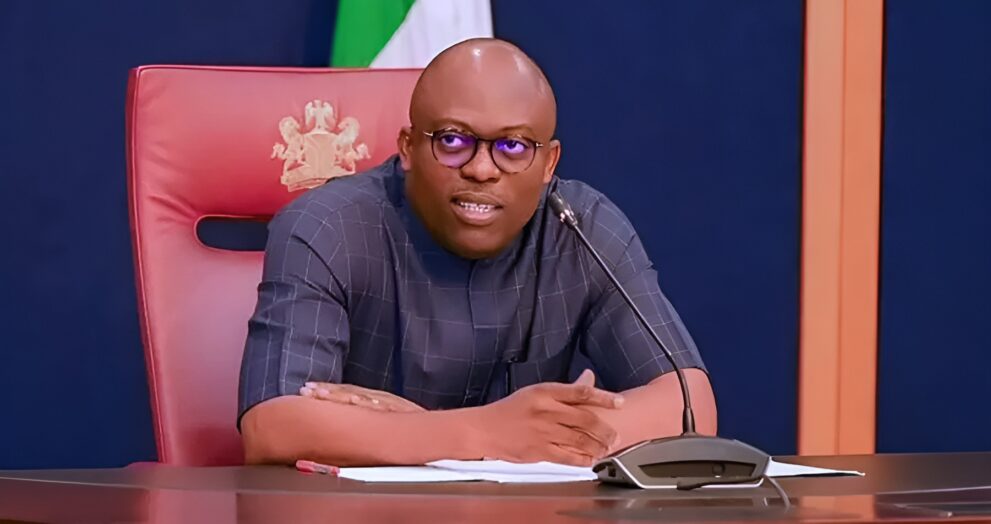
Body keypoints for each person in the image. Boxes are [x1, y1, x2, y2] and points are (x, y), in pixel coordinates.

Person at [238, 38, 715, 467]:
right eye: (452, 140)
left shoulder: (580, 226)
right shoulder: (329, 226)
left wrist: (514, 435)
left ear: (548, 163)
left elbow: (689, 406)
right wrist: (488, 432)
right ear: (408, 147)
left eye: (513, 146)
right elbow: (272, 427)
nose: (482, 169)